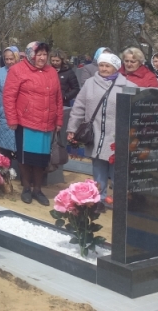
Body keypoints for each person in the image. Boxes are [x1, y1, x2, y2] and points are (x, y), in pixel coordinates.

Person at [67, 53, 135, 205]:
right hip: (96, 134)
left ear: (116, 68)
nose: (103, 69)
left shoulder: (128, 86)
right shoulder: (90, 83)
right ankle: (100, 200)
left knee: (117, 171)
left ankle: (121, 202)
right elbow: (79, 107)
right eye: (101, 65)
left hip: (117, 137)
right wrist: (72, 128)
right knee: (98, 169)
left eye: (107, 66)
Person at [3, 41, 63, 207]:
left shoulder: (52, 72)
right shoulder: (17, 70)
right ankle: (26, 188)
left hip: (46, 123)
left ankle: (38, 189)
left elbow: (58, 98)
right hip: (26, 122)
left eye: (45, 54)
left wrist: (59, 120)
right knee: (26, 158)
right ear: (31, 55)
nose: (42, 58)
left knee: (41, 159)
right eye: (39, 54)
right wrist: (12, 119)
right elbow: (9, 96)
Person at [0, 47, 19, 159]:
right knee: (4, 150)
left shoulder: (24, 72)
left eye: (12, 59)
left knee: (20, 148)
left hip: (21, 116)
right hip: (4, 116)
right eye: (6, 59)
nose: (9, 61)